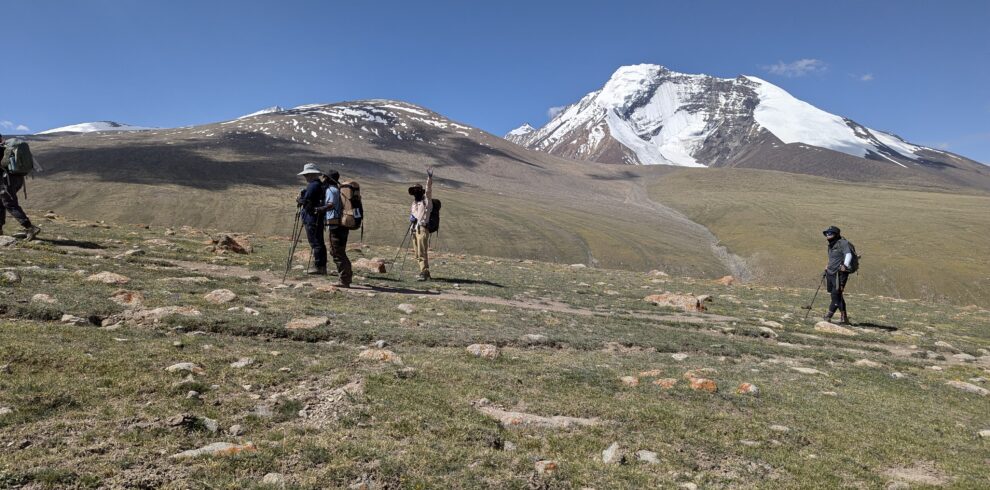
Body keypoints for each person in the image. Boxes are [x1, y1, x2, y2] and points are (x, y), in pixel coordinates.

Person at [0, 134, 41, 240]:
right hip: (17, 179)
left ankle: (29, 227)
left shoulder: (3, 149)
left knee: (9, 203)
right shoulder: (7, 148)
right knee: (1, 203)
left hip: (6, 180)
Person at [322, 170, 353, 287]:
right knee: (339, 251)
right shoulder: (338, 190)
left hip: (336, 226)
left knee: (337, 252)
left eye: (325, 178)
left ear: (329, 179)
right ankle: (346, 277)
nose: (323, 180)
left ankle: (345, 280)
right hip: (342, 226)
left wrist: (320, 209)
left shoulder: (331, 190)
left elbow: (330, 205)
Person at [296, 163, 327, 275]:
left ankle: (319, 267)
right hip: (317, 217)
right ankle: (321, 266)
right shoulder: (319, 185)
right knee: (318, 241)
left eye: (306, 175)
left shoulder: (313, 185)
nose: (305, 177)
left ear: (311, 174)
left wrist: (300, 200)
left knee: (315, 242)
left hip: (312, 218)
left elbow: (307, 200)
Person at [822, 225, 853, 324]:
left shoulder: (843, 243)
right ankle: (844, 318)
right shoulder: (831, 245)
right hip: (830, 272)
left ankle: (829, 315)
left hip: (839, 274)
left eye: (830, 233)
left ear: (836, 234)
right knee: (836, 295)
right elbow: (833, 258)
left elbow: (848, 254)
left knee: (836, 294)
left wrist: (845, 265)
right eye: (827, 233)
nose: (827, 234)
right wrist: (828, 265)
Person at [408, 167, 434, 281]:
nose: (415, 192)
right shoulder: (414, 203)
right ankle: (423, 272)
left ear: (421, 191)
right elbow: (413, 215)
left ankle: (424, 272)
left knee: (422, 252)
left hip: (423, 229)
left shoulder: (426, 201)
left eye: (417, 190)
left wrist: (429, 178)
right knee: (417, 253)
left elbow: (428, 190)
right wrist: (412, 220)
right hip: (414, 229)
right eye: (414, 191)